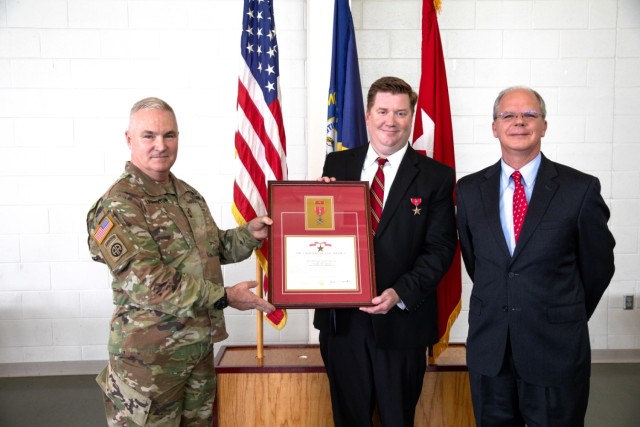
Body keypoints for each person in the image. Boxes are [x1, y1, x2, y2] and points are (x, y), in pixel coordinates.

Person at [86, 97, 275, 427]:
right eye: (149, 136)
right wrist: (225, 296)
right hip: (149, 362)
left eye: (169, 135)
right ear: (129, 139)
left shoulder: (187, 196)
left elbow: (214, 248)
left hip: (196, 350)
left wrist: (251, 234)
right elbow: (148, 282)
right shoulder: (119, 205)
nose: (161, 145)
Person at [456, 86, 616, 426]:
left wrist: (562, 310)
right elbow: (478, 263)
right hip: (491, 352)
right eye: (508, 115)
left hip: (554, 349)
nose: (519, 122)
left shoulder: (580, 189)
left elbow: (598, 265)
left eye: (530, 115)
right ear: (494, 127)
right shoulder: (469, 191)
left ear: (544, 126)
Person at [314, 76, 458, 427]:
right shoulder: (337, 166)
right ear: (367, 115)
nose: (390, 121)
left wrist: (399, 293)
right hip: (343, 323)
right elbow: (320, 236)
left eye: (400, 112)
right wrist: (313, 203)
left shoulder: (436, 176)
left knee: (397, 419)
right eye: (382, 111)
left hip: (402, 322)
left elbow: (440, 248)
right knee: (349, 419)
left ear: (411, 117)